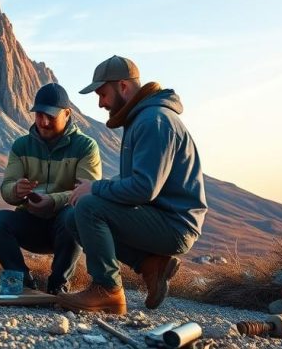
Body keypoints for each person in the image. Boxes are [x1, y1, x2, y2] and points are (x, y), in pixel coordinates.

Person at [57, 55, 207, 314]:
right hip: (159, 217)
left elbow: (143, 188)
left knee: (89, 207)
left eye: (103, 94)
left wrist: (94, 188)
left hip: (174, 225)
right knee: (73, 216)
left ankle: (107, 291)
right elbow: (136, 183)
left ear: (123, 87)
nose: (101, 103)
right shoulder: (142, 118)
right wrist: (94, 187)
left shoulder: (153, 121)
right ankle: (151, 265)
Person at [0, 82, 101, 294]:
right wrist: (16, 190)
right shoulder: (21, 146)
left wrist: (54, 200)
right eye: (39, 115)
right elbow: (7, 188)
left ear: (67, 114)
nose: (44, 122)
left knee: (75, 215)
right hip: (32, 223)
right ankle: (19, 281)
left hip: (65, 228)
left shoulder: (86, 147)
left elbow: (87, 193)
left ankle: (58, 286)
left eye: (51, 117)